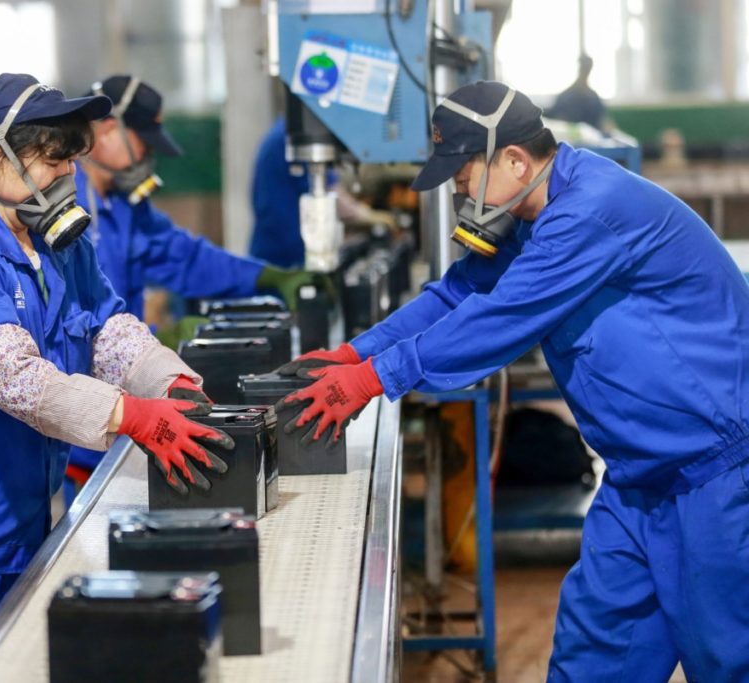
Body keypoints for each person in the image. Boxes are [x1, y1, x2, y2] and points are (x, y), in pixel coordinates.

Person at [277, 80, 749, 681]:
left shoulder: (590, 211)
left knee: (729, 658)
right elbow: (456, 294)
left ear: (516, 160)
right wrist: (352, 354)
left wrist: (375, 379)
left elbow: (501, 317)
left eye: (465, 174)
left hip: (718, 478)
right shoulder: (530, 217)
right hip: (638, 482)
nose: (458, 190)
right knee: (595, 659)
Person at [0, 73, 233, 683]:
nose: (66, 177)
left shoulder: (60, 243)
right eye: (49, 161)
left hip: (29, 512)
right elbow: (14, 376)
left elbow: (108, 328)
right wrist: (132, 416)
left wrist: (170, 385)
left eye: (70, 160)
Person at [62, 75, 322, 499]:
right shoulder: (65, 210)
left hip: (139, 415)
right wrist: (157, 340)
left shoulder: (127, 208)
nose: (147, 156)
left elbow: (187, 258)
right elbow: (66, 321)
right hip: (90, 436)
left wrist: (267, 277)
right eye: (142, 142)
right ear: (108, 129)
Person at [248, 117, 397, 268]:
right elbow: (329, 192)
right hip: (284, 254)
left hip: (281, 247)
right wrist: (366, 214)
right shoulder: (301, 135)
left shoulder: (289, 130)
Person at [545, 54, 610, 133]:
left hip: (592, 139)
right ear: (580, 68)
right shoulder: (565, 97)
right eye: (584, 67)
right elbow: (555, 122)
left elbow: (604, 122)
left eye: (587, 67)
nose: (586, 70)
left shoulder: (594, 98)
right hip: (571, 138)